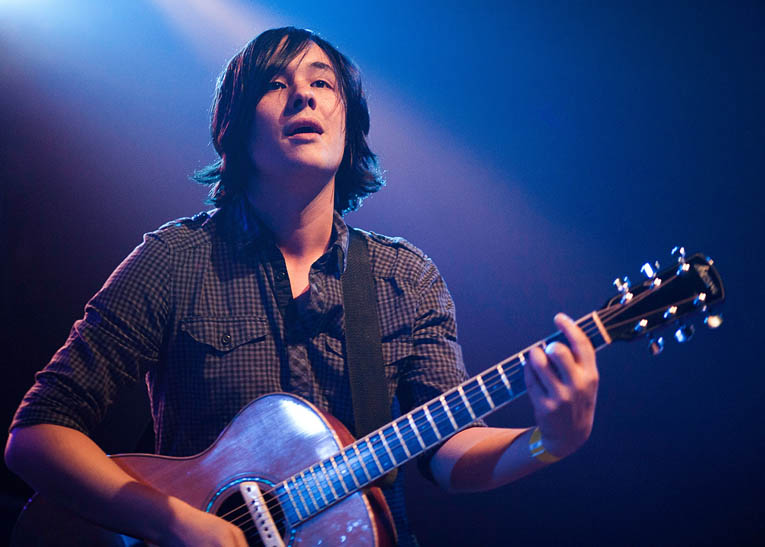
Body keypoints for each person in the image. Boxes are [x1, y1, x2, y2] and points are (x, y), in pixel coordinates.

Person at [5, 27, 599, 546]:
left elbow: (448, 453)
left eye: (323, 84)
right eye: (276, 84)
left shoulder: (405, 279)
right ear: (236, 126)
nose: (304, 96)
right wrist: (173, 523)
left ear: (350, 123)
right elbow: (37, 434)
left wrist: (550, 440)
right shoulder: (174, 261)